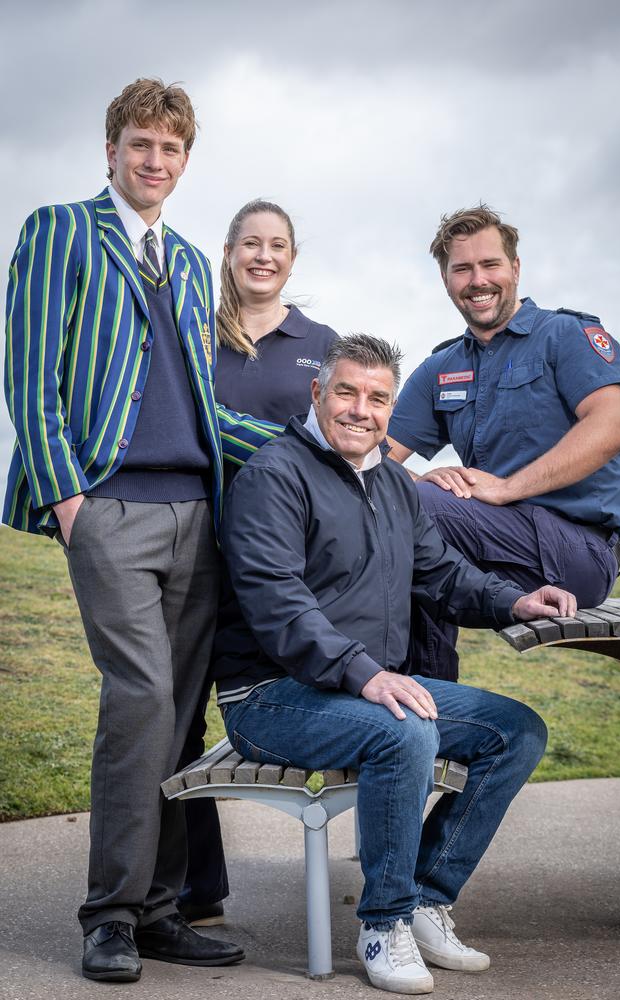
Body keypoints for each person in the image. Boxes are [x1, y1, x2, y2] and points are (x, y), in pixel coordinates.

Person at [2, 78, 280, 983]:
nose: (153, 161)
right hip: (108, 508)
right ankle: (111, 915)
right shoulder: (59, 231)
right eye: (139, 145)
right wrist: (69, 497)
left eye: (170, 149)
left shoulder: (195, 263)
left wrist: (321, 441)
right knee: (140, 701)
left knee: (178, 719)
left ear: (185, 162)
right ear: (112, 150)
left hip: (197, 515)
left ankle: (162, 911)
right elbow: (29, 378)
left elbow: (201, 404)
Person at [213, 334, 576, 994]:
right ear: (317, 394)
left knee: (516, 732)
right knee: (402, 727)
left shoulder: (390, 483)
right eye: (347, 392)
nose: (362, 409)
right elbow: (279, 606)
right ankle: (382, 923)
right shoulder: (274, 476)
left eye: (378, 398)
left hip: (356, 687)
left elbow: (442, 574)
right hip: (271, 694)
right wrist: (368, 674)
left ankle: (425, 898)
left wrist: (517, 600)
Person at [387, 205, 620, 678]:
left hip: (580, 552)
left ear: (515, 269)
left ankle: (430, 699)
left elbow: (613, 426)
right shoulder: (441, 367)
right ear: (446, 280)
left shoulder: (565, 336)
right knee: (390, 518)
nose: (478, 280)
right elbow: (371, 453)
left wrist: (506, 488)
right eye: (462, 268)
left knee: (414, 509)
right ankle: (417, 704)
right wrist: (424, 476)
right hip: (491, 547)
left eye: (490, 264)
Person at [178, 199, 338, 927]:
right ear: (229, 252)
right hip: (193, 546)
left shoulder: (321, 343)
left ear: (293, 259)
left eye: (277, 245)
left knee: (307, 696)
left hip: (279, 560)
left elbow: (336, 446)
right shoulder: (191, 331)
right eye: (250, 243)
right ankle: (195, 890)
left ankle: (390, 873)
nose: (263, 256)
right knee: (175, 717)